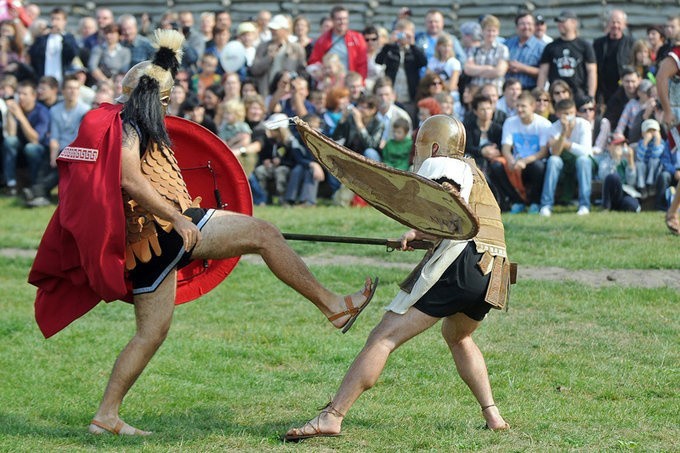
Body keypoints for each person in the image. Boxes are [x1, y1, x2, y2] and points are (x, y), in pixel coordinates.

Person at [29, 30, 378, 436]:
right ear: (157, 100)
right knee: (265, 234)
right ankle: (333, 305)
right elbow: (129, 178)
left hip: (148, 247)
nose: (168, 108)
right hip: (169, 230)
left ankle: (106, 415)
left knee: (150, 334)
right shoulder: (130, 126)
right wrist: (177, 217)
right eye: (166, 101)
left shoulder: (127, 122)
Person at [284, 115, 514, 441]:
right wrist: (418, 237)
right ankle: (493, 416)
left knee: (383, 336)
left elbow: (450, 203)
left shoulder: (441, 164)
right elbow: (463, 222)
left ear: (433, 146)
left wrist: (417, 228)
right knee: (458, 335)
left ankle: (332, 416)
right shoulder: (475, 173)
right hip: (492, 272)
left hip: (462, 264)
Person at [24, 75, 90, 207]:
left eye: (76, 88)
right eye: (69, 88)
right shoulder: (55, 110)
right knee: (48, 163)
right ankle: (40, 193)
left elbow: (81, 137)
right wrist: (53, 155)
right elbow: (54, 136)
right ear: (63, 91)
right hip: (59, 147)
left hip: (76, 150)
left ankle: (36, 191)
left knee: (60, 166)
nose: (73, 91)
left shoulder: (85, 110)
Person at [496, 90, 551, 213]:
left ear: (532, 106)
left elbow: (543, 152)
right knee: (497, 166)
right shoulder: (510, 122)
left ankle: (534, 202)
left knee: (538, 166)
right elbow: (505, 147)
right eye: (518, 106)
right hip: (516, 162)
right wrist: (510, 160)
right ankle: (516, 201)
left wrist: (524, 161)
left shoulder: (544, 124)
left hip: (534, 162)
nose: (519, 109)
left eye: (523, 106)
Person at [538, 98, 593, 216]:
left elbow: (585, 152)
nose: (569, 116)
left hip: (584, 164)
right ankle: (546, 205)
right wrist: (563, 133)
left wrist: (563, 143)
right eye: (566, 114)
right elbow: (555, 152)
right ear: (558, 114)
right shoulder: (553, 127)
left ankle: (584, 205)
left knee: (583, 160)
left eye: (572, 113)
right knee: (553, 160)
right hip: (563, 165)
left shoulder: (584, 124)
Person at [2, 79, 50, 195]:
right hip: (21, 147)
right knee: (9, 141)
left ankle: (34, 185)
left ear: (34, 96)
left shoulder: (42, 111)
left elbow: (35, 139)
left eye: (25, 94)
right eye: (19, 94)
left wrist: (20, 116)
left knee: (31, 148)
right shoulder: (17, 108)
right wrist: (10, 112)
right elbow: (11, 134)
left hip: (39, 150)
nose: (21, 97)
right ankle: (11, 184)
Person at [537, 10, 597, 100]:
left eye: (563, 21)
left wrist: (591, 96)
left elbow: (592, 72)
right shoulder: (550, 47)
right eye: (559, 22)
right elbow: (543, 72)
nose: (560, 24)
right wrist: (540, 95)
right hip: (556, 94)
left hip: (579, 94)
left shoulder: (585, 46)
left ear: (574, 23)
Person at [375, 18, 427, 116]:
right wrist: (389, 44)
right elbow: (378, 60)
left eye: (406, 34)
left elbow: (423, 62)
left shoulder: (414, 50)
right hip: (393, 92)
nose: (403, 37)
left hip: (409, 95)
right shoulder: (390, 48)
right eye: (400, 34)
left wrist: (412, 44)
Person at [250, 14, 306, 97]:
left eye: (276, 29)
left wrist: (291, 77)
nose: (273, 32)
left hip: (288, 94)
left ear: (284, 30)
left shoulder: (296, 48)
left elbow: (302, 71)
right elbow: (254, 70)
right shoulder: (262, 47)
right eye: (271, 29)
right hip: (266, 92)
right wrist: (268, 58)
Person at [308, 5, 367, 79]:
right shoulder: (322, 40)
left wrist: (360, 81)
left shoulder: (357, 38)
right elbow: (314, 61)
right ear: (332, 20)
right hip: (330, 83)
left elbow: (362, 64)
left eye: (345, 18)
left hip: (350, 82)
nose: (342, 22)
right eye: (339, 19)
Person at [27, 7, 79, 84]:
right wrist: (41, 35)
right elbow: (33, 55)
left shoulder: (69, 37)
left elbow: (73, 52)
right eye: (52, 19)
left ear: (64, 21)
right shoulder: (43, 38)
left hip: (62, 79)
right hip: (44, 79)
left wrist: (61, 34)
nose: (55, 22)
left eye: (58, 19)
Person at [593, 9, 634, 105]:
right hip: (602, 90)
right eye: (613, 22)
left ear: (624, 25)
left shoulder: (631, 43)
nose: (615, 25)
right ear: (608, 24)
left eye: (618, 23)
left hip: (623, 89)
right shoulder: (598, 43)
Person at [283, 113, 325, 206]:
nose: (314, 129)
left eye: (316, 126)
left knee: (309, 171)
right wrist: (313, 164)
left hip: (320, 167)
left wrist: (316, 165)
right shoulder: (297, 139)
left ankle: (308, 201)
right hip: (303, 164)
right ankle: (289, 200)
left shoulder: (322, 138)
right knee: (297, 170)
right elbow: (298, 158)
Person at [463, 15, 509, 95]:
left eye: (493, 31)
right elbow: (468, 69)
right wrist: (488, 68)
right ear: (482, 31)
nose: (491, 34)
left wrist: (477, 70)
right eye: (488, 30)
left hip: (495, 92)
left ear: (498, 32)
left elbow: (499, 71)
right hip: (476, 92)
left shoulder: (502, 49)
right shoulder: (474, 49)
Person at [331, 94, 384, 162]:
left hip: (367, 157)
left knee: (370, 152)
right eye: (359, 106)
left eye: (364, 107)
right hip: (350, 153)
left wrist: (359, 124)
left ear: (373, 110)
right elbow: (335, 138)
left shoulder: (378, 124)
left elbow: (372, 145)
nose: (360, 109)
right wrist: (342, 120)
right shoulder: (351, 119)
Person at [505, 11, 546, 90]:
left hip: (529, 90)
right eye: (522, 24)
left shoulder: (542, 47)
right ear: (516, 27)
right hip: (508, 90)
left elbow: (544, 72)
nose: (526, 27)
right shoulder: (507, 44)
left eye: (529, 24)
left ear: (534, 26)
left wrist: (523, 68)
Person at [599, 137, 640, 212]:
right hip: (611, 195)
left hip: (626, 192)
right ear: (609, 147)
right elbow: (603, 177)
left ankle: (618, 208)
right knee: (613, 177)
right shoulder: (604, 161)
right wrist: (615, 160)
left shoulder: (627, 160)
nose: (621, 147)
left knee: (631, 205)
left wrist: (631, 162)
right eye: (618, 144)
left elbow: (631, 182)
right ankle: (606, 207)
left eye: (623, 145)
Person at [635, 118, 667, 197]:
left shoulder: (661, 143)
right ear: (643, 133)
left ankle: (652, 185)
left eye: (654, 131)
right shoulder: (641, 143)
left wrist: (657, 141)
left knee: (655, 161)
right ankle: (642, 187)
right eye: (649, 131)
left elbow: (656, 155)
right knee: (639, 164)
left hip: (654, 172)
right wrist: (645, 142)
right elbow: (639, 157)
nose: (651, 134)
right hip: (644, 171)